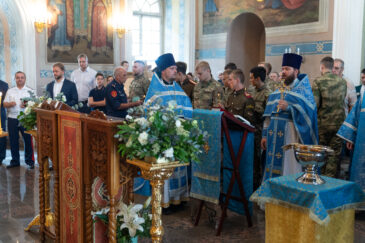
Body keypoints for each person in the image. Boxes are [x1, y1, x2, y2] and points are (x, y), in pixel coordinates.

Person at [143, 53, 192, 213]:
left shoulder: (176, 87)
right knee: (166, 171)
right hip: (163, 139)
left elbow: (187, 107)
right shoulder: (155, 90)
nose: (175, 71)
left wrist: (184, 124)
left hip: (178, 138)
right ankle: (165, 202)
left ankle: (178, 199)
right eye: (172, 68)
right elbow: (148, 112)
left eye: (175, 69)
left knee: (179, 169)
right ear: (163, 70)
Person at [261, 53, 318, 181]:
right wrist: (264, 135)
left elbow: (310, 117)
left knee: (289, 169)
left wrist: (290, 108)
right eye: (282, 69)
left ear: (296, 71)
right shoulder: (276, 93)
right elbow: (268, 117)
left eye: (287, 69)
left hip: (292, 138)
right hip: (273, 138)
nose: (283, 72)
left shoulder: (304, 93)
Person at [312, 57, 347, 178]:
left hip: (323, 124)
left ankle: (319, 180)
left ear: (322, 67)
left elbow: (315, 105)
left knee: (321, 153)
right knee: (334, 155)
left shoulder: (318, 81)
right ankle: (330, 182)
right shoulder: (342, 81)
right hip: (339, 124)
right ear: (332, 67)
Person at [337, 82, 365, 195]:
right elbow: (354, 115)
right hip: (362, 142)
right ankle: (360, 202)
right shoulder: (364, 95)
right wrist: (350, 137)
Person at [3, 72, 34, 169]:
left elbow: (35, 104)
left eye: (22, 77)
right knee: (13, 141)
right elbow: (4, 104)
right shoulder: (10, 91)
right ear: (15, 79)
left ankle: (30, 162)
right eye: (18, 77)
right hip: (12, 118)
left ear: (25, 79)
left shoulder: (30, 91)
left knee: (28, 140)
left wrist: (27, 105)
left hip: (25, 119)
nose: (20, 79)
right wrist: (9, 104)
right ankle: (15, 161)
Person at [249, 66, 271, 189]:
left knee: (258, 158)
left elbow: (267, 115)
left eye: (252, 78)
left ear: (258, 78)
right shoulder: (251, 90)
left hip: (260, 130)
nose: (250, 81)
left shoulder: (268, 93)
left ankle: (257, 184)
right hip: (249, 128)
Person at [0, 79, 8, 165]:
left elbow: (5, 100)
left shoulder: (4, 84)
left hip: (0, 112)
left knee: (1, 134)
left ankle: (1, 157)